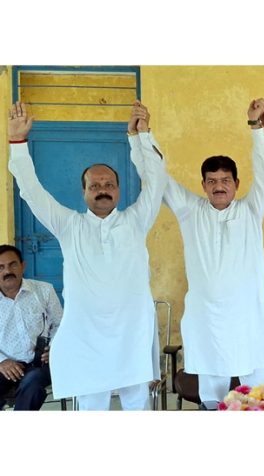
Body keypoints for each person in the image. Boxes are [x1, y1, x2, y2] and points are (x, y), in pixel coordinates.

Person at [8, 101, 167, 410]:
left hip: (131, 334)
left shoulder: (136, 220)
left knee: (138, 407)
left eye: (108, 184)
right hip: (87, 337)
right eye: (94, 185)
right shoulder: (69, 225)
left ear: (119, 191)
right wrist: (17, 143)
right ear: (84, 193)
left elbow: (157, 180)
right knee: (92, 409)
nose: (102, 189)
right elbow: (31, 191)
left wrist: (142, 137)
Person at [156, 98, 264, 404]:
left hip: (249, 319)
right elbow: (159, 178)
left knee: (257, 394)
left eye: (225, 180)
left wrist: (256, 128)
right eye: (212, 181)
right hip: (207, 320)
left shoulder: (251, 210)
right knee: (212, 395)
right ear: (203, 185)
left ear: (237, 184)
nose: (218, 186)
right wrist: (142, 138)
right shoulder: (190, 211)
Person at [0, 245, 62, 410]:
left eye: (12, 264)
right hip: (5, 365)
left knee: (32, 382)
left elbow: (60, 323)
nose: (7, 271)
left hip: (41, 364)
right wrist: (2, 362)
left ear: (23, 266)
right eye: (1, 267)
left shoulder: (44, 290)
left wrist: (55, 348)